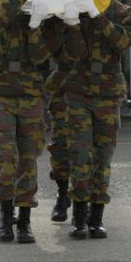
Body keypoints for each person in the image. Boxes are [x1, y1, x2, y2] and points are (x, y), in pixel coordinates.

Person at [61, 0, 131, 239]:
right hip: (79, 92)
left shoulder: (125, 13)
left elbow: (123, 41)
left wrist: (98, 17)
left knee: (103, 158)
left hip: (108, 95)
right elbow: (72, 52)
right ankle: (79, 217)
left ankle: (97, 217)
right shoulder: (77, 10)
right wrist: (72, 23)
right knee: (81, 156)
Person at [0, 0, 50, 244]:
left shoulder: (27, 15)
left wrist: (35, 27)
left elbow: (40, 57)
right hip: (3, 98)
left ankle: (25, 221)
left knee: (29, 158)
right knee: (5, 157)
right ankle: (5, 217)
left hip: (30, 96)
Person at [41, 15, 75, 222]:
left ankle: (84, 203)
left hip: (93, 89)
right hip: (63, 88)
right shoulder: (52, 20)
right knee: (61, 147)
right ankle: (63, 194)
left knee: (91, 151)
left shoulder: (98, 10)